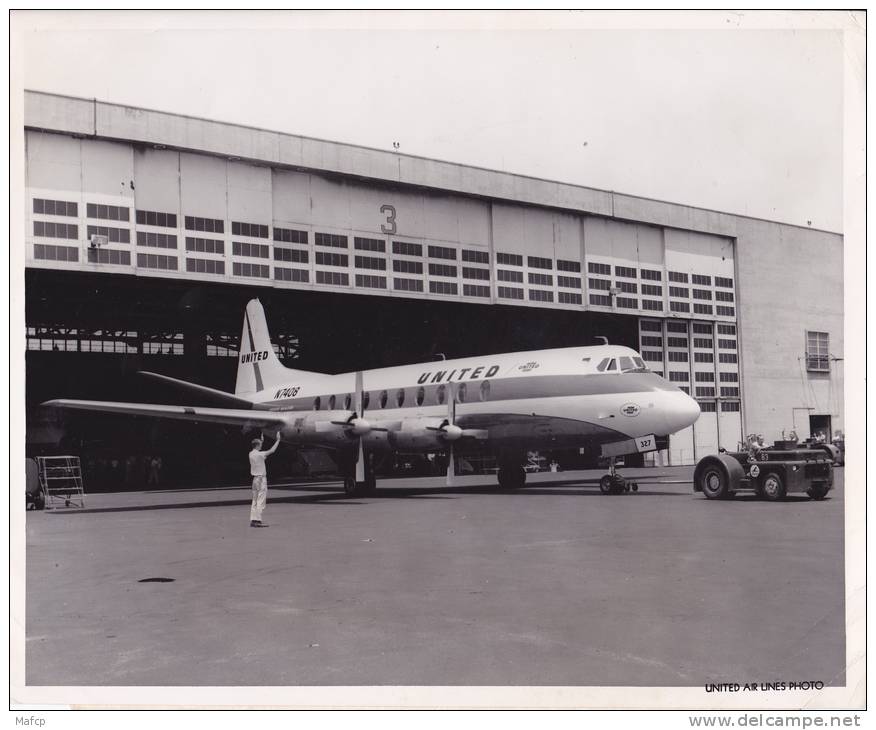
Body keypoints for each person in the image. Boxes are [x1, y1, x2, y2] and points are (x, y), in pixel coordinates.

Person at [249, 432, 281, 528]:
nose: (261, 446)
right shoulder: (260, 454)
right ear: (258, 445)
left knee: (254, 500)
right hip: (261, 480)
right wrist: (278, 440)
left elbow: (261, 454)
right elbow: (272, 451)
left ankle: (253, 520)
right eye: (261, 445)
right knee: (260, 500)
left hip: (255, 479)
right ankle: (258, 520)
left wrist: (261, 440)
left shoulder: (251, 454)